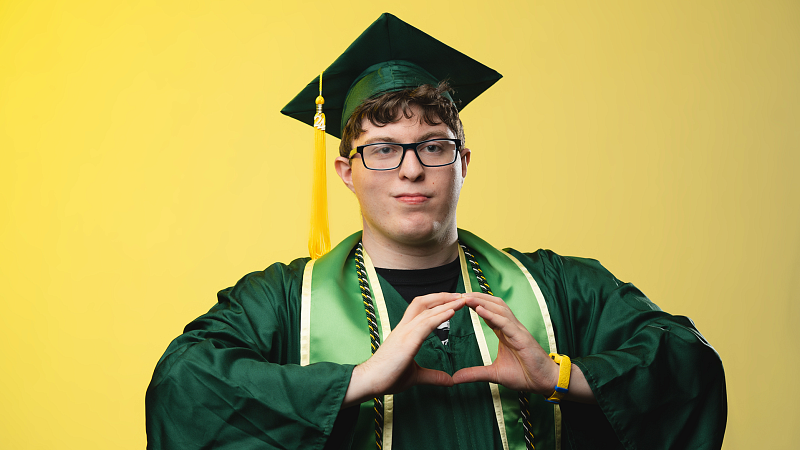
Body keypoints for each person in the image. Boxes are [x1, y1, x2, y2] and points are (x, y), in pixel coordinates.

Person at [146, 13, 727, 450]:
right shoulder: (282, 302)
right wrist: (353, 380)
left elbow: (690, 362)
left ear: (463, 162)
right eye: (382, 150)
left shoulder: (558, 286)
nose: (410, 168)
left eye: (433, 145)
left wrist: (560, 376)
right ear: (346, 172)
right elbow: (182, 386)